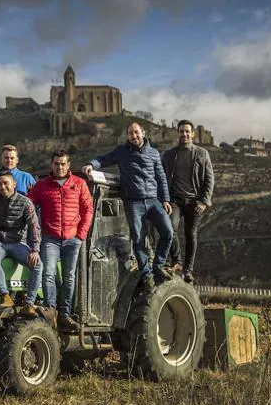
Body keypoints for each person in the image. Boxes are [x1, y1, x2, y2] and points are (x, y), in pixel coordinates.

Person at [82, 122, 173, 289]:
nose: (134, 136)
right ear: (127, 136)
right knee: (138, 239)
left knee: (168, 232)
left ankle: (158, 266)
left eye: (136, 132)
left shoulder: (154, 153)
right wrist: (91, 164)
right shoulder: (121, 152)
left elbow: (161, 178)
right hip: (134, 202)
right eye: (130, 133)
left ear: (143, 133)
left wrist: (165, 199)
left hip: (153, 201)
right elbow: (103, 159)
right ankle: (147, 274)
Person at [28, 150, 94, 331]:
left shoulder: (79, 184)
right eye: (56, 163)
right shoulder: (42, 185)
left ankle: (65, 314)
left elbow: (88, 209)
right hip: (50, 238)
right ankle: (51, 311)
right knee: (48, 273)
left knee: (69, 276)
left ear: (68, 165)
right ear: (52, 165)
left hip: (73, 238)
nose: (60, 167)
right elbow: (29, 205)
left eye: (63, 163)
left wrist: (81, 234)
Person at [0, 171, 43, 317]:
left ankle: (29, 303)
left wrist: (35, 249)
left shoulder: (25, 202)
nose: (2, 186)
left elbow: (34, 226)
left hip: (18, 243)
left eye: (6, 183)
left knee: (38, 265)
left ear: (14, 184)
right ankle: (5, 296)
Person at [162, 119, 215, 283]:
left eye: (187, 131)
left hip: (194, 202)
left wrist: (204, 201)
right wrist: (165, 199)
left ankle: (188, 269)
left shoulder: (202, 153)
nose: (184, 134)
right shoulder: (169, 155)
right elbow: (162, 178)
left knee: (191, 234)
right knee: (169, 229)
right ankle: (176, 262)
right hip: (175, 201)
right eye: (181, 131)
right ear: (177, 133)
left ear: (192, 134)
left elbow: (209, 178)